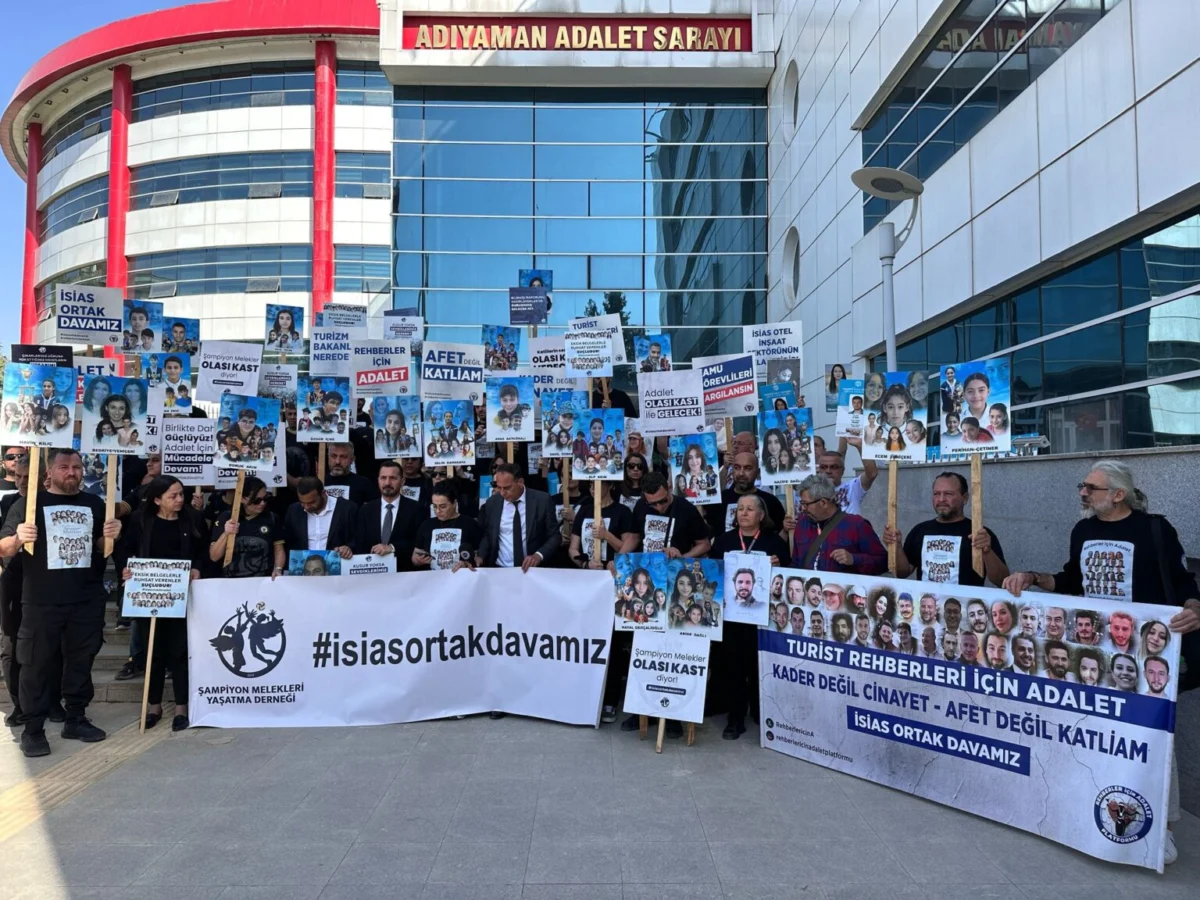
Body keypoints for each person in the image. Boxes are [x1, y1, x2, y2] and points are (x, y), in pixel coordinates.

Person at [0, 449, 122, 757]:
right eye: (64, 467)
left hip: (85, 599)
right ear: (50, 472)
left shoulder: (95, 504)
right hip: (41, 600)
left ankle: (76, 718)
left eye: (77, 467)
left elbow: (99, 548)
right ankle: (33, 729)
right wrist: (18, 538)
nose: (72, 472)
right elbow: (3, 548)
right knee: (35, 665)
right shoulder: (29, 504)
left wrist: (111, 535)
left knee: (81, 661)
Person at [122, 476, 204, 731]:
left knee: (179, 652)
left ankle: (181, 708)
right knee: (153, 652)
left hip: (180, 596)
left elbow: (201, 550)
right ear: (157, 499)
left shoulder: (191, 518)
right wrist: (126, 569)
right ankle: (154, 706)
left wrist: (197, 568)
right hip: (148, 596)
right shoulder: (140, 520)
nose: (180, 500)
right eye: (173, 496)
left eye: (181, 494)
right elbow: (126, 549)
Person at [884, 473, 1009, 587]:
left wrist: (987, 551)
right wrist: (896, 546)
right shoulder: (920, 530)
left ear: (965, 498)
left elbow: (1002, 580)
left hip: (965, 604)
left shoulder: (979, 534)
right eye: (936, 494)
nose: (941, 499)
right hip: (926, 603)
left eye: (948, 494)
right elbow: (902, 573)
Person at [791, 474, 886, 575]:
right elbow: (796, 564)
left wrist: (853, 559)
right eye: (802, 503)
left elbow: (883, 562)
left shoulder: (856, 525)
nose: (803, 508)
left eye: (806, 504)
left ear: (823, 503)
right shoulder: (802, 524)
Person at [477, 463, 560, 573]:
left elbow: (554, 535)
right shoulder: (492, 503)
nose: (502, 493)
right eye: (499, 487)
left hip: (533, 570)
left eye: (507, 488)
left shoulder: (542, 501)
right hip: (500, 569)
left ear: (520, 482)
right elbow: (489, 535)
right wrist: (480, 556)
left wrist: (538, 555)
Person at [209, 476, 285, 578]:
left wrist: (278, 568)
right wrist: (226, 533)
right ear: (242, 498)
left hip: (262, 580)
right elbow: (214, 556)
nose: (262, 503)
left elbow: (279, 550)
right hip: (230, 581)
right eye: (256, 500)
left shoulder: (272, 518)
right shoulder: (226, 517)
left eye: (266, 498)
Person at [353, 461, 423, 571]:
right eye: (383, 478)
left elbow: (419, 543)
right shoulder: (366, 510)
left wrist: (392, 548)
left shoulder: (416, 509)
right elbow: (359, 542)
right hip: (372, 571)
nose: (387, 483)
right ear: (378, 480)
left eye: (393, 478)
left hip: (405, 573)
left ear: (402, 481)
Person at [704, 451, 786, 539]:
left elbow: (780, 537)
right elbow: (707, 532)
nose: (741, 473)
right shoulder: (719, 501)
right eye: (737, 468)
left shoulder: (770, 501)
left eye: (748, 468)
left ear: (758, 472)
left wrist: (786, 528)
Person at [413, 482, 483, 571]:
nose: (438, 511)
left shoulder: (470, 524)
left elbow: (479, 557)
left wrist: (467, 563)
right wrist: (417, 560)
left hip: (461, 576)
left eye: (443, 506)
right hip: (432, 576)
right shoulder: (426, 525)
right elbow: (415, 556)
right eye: (435, 506)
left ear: (454, 503)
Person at [281, 476, 357, 558]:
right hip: (304, 563)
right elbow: (288, 541)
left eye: (311, 502)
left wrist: (348, 548)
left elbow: (358, 539)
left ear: (323, 493)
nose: (306, 507)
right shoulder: (293, 510)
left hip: (337, 562)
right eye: (302, 502)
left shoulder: (347, 509)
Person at [569, 480, 632, 574]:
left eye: (597, 484)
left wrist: (606, 535)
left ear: (610, 485)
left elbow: (627, 548)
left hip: (612, 572)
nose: (592, 488)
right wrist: (585, 564)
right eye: (591, 484)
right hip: (586, 572)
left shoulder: (623, 511)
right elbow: (573, 548)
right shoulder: (584, 510)